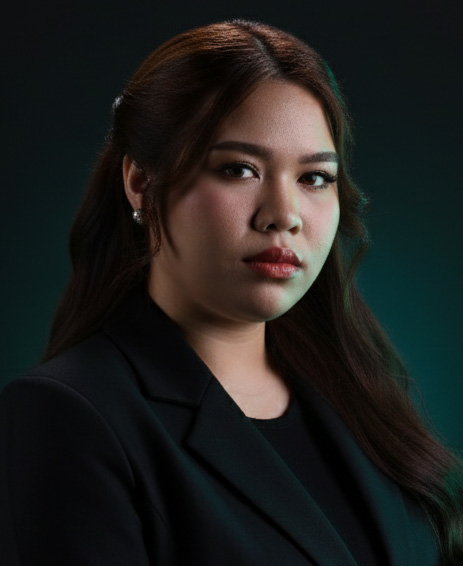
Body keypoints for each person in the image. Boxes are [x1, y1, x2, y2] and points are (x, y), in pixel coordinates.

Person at [0, 19, 461, 566]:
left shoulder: (359, 396)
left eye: (314, 178)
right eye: (239, 169)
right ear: (141, 182)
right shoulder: (67, 414)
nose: (284, 215)